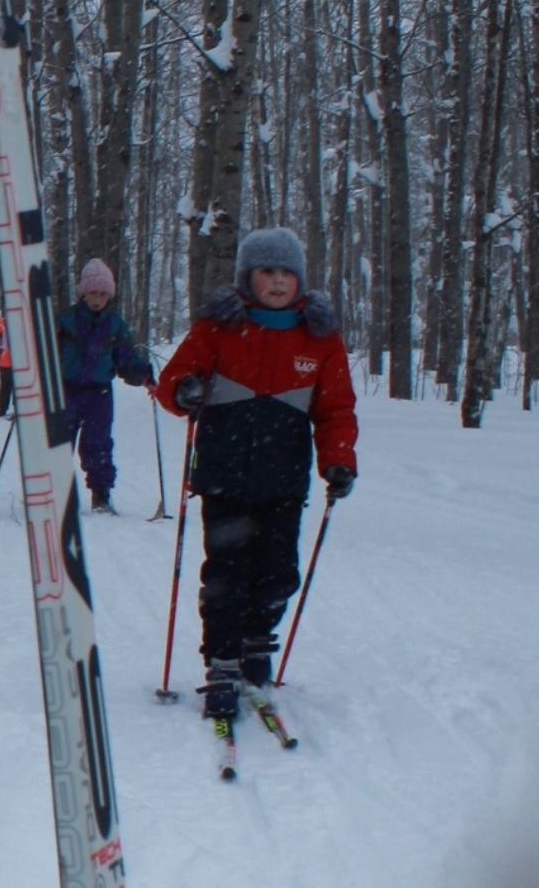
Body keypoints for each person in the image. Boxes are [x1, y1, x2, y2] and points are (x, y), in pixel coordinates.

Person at [154, 227, 358, 719]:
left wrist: (339, 460)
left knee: (277, 573)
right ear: (248, 276)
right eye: (267, 271)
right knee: (225, 575)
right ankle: (222, 663)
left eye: (287, 272)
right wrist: (185, 391)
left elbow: (336, 410)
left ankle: (256, 647)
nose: (278, 281)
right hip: (223, 476)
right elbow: (171, 383)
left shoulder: (321, 339)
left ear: (300, 280)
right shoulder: (217, 329)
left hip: (284, 482)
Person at [56, 258, 155, 513]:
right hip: (66, 389)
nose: (97, 299)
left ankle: (101, 495)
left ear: (108, 295)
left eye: (102, 294)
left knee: (97, 443)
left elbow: (126, 357)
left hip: (99, 392)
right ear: (83, 293)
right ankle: (56, 493)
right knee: (58, 441)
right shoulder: (66, 320)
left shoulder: (115, 324)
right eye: (92, 293)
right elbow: (47, 352)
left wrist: (142, 374)